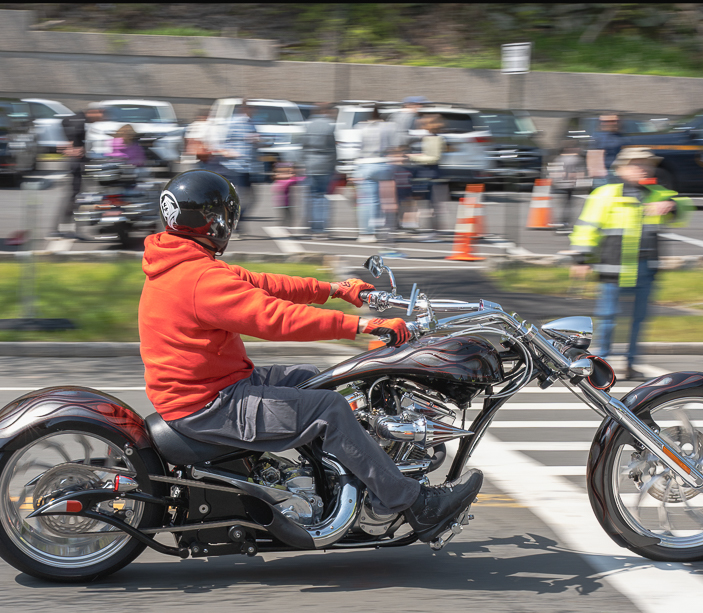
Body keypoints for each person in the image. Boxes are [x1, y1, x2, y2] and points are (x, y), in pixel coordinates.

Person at [138, 169, 483, 541]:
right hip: (209, 404)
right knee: (329, 410)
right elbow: (276, 318)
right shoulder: (200, 280)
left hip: (212, 385)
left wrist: (336, 289)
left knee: (317, 378)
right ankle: (414, 504)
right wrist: (364, 325)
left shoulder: (180, 262)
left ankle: (337, 478)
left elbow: (264, 284)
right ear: (215, 221)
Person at [569, 148, 695, 380]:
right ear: (621, 168)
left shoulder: (658, 193)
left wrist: (672, 205)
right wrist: (581, 258)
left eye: (647, 164)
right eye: (636, 163)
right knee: (608, 319)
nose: (643, 168)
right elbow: (586, 228)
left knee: (639, 320)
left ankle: (631, 364)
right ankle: (600, 367)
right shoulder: (606, 194)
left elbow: (686, 209)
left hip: (646, 268)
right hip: (613, 269)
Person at [55, 107, 101, 235]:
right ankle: (63, 228)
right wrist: (73, 145)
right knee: (76, 196)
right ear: (92, 112)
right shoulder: (80, 120)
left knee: (78, 196)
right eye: (99, 114)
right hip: (77, 163)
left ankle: (69, 228)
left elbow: (65, 122)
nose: (100, 118)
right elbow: (74, 130)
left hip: (79, 161)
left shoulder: (79, 119)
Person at [355, 105, 397, 244]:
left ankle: (366, 233)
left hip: (365, 164)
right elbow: (394, 145)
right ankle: (381, 229)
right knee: (382, 201)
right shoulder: (389, 127)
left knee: (366, 201)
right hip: (383, 164)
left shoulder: (360, 127)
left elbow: (356, 148)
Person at [217, 101, 259, 235]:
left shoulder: (252, 123)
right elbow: (221, 142)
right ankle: (233, 224)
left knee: (252, 198)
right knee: (240, 197)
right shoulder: (233, 123)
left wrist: (258, 140)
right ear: (245, 108)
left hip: (248, 166)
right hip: (236, 166)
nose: (255, 110)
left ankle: (235, 221)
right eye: (252, 108)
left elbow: (253, 142)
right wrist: (229, 152)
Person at [406, 114, 446, 242]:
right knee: (429, 204)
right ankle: (432, 232)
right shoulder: (431, 137)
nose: (421, 125)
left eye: (425, 123)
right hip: (427, 172)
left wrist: (413, 157)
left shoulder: (434, 138)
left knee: (431, 205)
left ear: (431, 125)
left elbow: (434, 158)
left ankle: (434, 233)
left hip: (430, 174)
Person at [302, 101, 337, 240]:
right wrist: (334, 166)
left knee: (311, 197)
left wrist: (303, 162)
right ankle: (321, 229)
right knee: (322, 197)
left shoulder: (309, 125)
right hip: (325, 165)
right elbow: (332, 148)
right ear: (325, 111)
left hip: (311, 164)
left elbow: (304, 146)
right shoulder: (329, 126)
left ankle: (311, 227)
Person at [548, 139, 588, 234]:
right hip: (570, 185)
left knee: (560, 204)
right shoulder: (577, 159)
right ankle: (564, 222)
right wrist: (580, 181)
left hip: (559, 184)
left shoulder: (559, 158)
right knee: (568, 205)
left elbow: (553, 170)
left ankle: (559, 222)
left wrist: (554, 180)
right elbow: (580, 172)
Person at [587, 113, 625, 191]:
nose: (614, 123)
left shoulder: (619, 135)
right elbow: (592, 154)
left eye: (615, 121)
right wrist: (596, 171)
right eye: (610, 121)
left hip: (617, 170)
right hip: (603, 172)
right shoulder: (598, 136)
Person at [270, 161, 303, 232]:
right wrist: (296, 174)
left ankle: (283, 227)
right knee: (289, 217)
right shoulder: (288, 181)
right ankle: (285, 228)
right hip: (285, 203)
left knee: (285, 217)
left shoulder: (278, 181)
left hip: (280, 203)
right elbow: (298, 180)